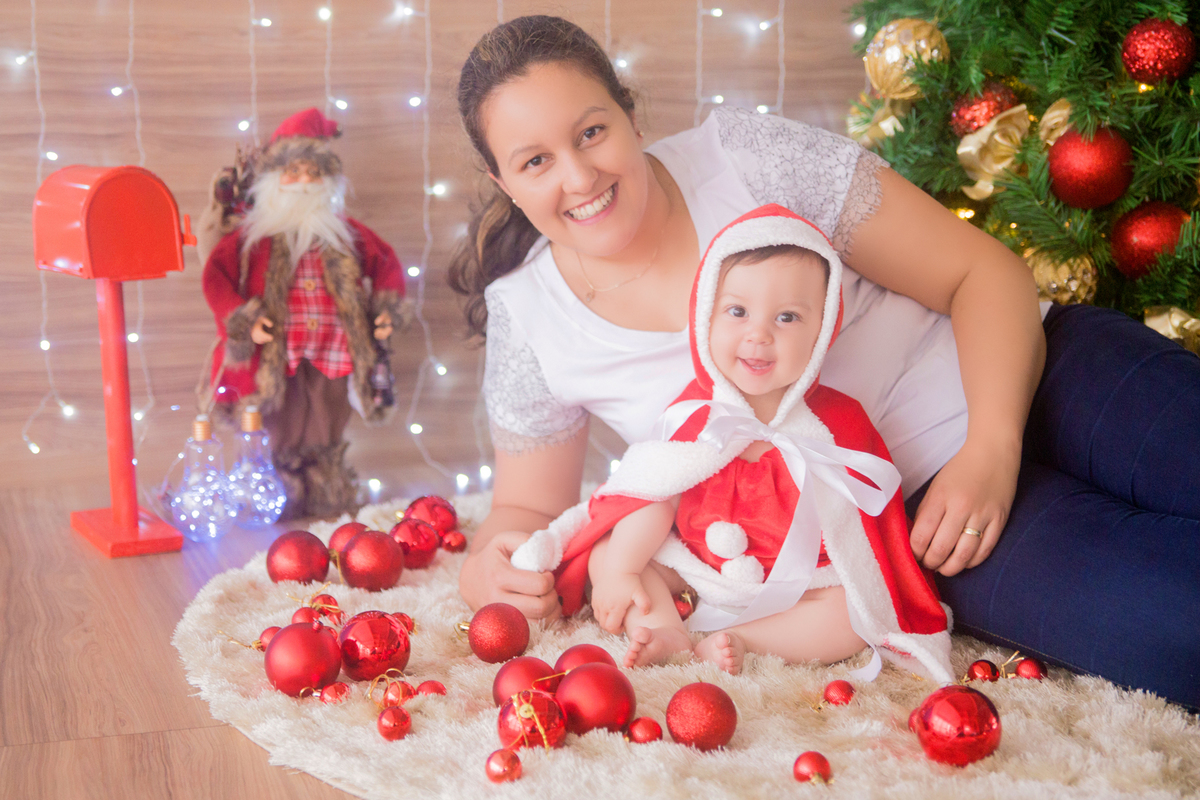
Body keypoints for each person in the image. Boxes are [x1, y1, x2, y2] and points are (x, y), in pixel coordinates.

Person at [449, 16, 1200, 708]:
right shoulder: (529, 317)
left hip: (1044, 371)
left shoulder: (743, 160)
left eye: (591, 132)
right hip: (921, 521)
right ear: (502, 182)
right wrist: (489, 565)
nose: (578, 178)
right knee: (1183, 632)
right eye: (535, 160)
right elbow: (525, 510)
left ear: (630, 114)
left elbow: (984, 275)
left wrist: (993, 448)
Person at [509, 205, 954, 682]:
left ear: (822, 331)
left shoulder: (838, 423)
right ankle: (663, 629)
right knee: (614, 555)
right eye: (737, 311)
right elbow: (651, 493)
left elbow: (868, 535)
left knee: (854, 612)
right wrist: (620, 570)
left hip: (802, 584)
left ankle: (747, 641)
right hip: (699, 568)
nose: (758, 335)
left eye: (787, 317)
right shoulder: (696, 413)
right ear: (706, 316)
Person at [203, 108, 407, 519]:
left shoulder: (346, 233)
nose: (304, 182)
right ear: (273, 180)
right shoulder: (253, 238)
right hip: (278, 349)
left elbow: (386, 262)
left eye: (314, 173)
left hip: (334, 348)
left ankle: (326, 483)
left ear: (328, 180)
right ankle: (279, 484)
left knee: (328, 414)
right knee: (279, 416)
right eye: (293, 172)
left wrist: (386, 306)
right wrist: (240, 317)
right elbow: (216, 277)